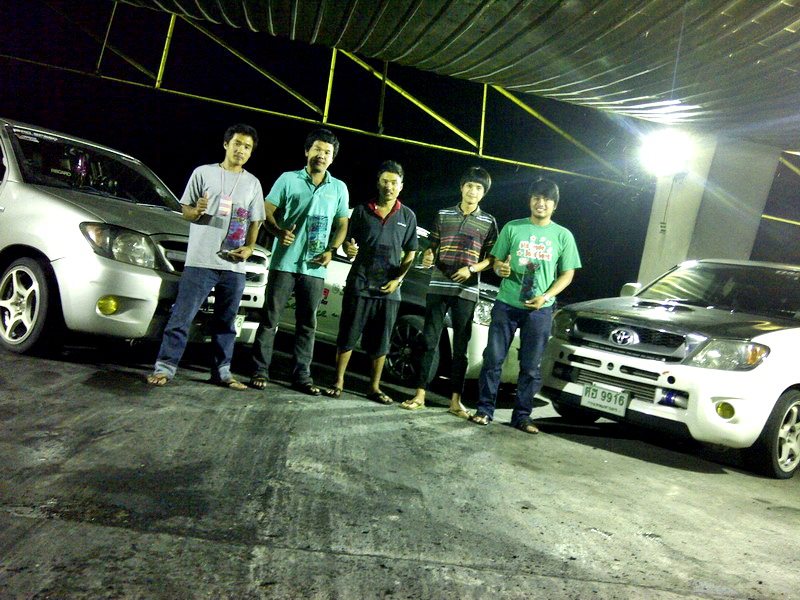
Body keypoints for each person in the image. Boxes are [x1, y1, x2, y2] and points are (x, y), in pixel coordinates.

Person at [147, 124, 265, 389]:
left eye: (247, 147)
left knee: (226, 322)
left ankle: (222, 372)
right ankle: (165, 367)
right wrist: (196, 210)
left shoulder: (253, 183)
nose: (241, 150)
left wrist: (249, 247)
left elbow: (256, 220)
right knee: (182, 317)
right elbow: (186, 211)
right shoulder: (203, 173)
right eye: (237, 143)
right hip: (201, 260)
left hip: (234, 265)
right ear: (226, 144)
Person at [469, 177, 581, 433]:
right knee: (493, 359)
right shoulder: (513, 227)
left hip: (539, 309)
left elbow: (567, 274)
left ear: (555, 205)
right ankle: (484, 410)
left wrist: (546, 297)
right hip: (507, 304)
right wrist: (500, 268)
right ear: (530, 201)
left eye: (547, 199)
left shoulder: (563, 235)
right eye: (536, 198)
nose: (541, 203)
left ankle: (522, 417)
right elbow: (496, 262)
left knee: (530, 366)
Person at [250, 128, 349, 394]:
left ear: (332, 158)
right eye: (317, 149)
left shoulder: (339, 188)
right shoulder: (288, 179)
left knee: (307, 324)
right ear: (307, 151)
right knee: (271, 318)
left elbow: (342, 224)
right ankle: (260, 369)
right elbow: (266, 210)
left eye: (327, 152)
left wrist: (332, 250)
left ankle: (302, 376)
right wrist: (277, 231)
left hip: (315, 266)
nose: (321, 155)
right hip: (284, 261)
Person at [399, 166, 498, 418]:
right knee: (429, 341)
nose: (472, 191)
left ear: (483, 193)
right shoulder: (443, 214)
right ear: (461, 187)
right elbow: (432, 245)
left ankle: (455, 402)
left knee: (460, 348)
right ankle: (419, 395)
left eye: (478, 188)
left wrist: (472, 269)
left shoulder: (489, 222)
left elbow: (492, 258)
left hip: (467, 290)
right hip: (438, 285)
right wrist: (429, 254)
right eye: (469, 186)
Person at [324, 161, 418, 404]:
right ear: (378, 183)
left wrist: (398, 279)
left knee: (382, 341)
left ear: (401, 186)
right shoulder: (362, 211)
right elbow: (348, 241)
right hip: (360, 283)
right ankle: (338, 381)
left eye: (394, 182)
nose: (389, 186)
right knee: (348, 335)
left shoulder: (407, 216)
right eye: (385, 181)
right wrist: (348, 249)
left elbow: (411, 252)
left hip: (388, 290)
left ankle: (374, 387)